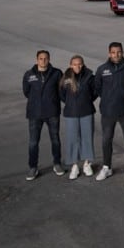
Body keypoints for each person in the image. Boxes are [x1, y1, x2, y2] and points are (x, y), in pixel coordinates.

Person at [94, 42, 124, 180]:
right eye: (113, 52)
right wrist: (108, 98)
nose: (116, 55)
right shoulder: (102, 69)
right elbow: (98, 88)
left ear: (122, 52)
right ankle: (107, 167)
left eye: (119, 52)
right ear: (109, 53)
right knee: (107, 140)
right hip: (108, 112)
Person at [22, 50, 63, 180]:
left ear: (49, 59)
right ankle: (33, 167)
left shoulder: (57, 73)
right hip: (35, 114)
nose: (43, 61)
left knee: (55, 140)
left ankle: (57, 164)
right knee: (33, 142)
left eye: (45, 58)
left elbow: (60, 90)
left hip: (52, 112)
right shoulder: (29, 75)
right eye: (41, 58)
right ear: (37, 60)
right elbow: (26, 92)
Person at [60, 55, 97, 180]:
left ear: (83, 64)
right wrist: (71, 103)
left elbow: (95, 92)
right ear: (70, 65)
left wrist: (85, 101)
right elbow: (62, 94)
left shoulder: (90, 77)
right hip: (71, 113)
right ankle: (74, 165)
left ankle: (87, 163)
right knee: (72, 139)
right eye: (75, 64)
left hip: (86, 111)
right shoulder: (66, 78)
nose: (77, 66)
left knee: (87, 137)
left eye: (80, 64)